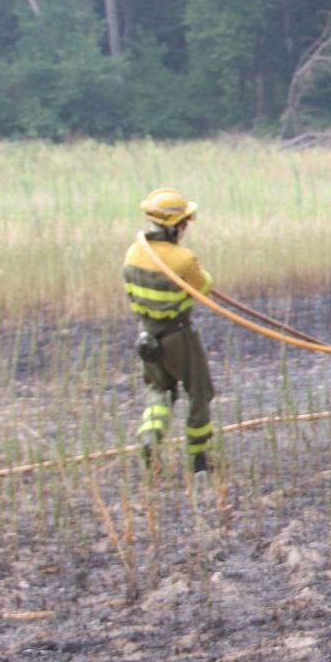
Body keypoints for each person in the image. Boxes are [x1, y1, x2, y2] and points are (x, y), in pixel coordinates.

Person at [122, 188, 217, 475]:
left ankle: (150, 438)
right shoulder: (182, 259)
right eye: (184, 223)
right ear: (175, 225)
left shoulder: (134, 253)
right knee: (199, 392)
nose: (186, 228)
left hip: (147, 336)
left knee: (159, 391)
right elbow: (204, 286)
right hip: (178, 336)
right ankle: (199, 459)